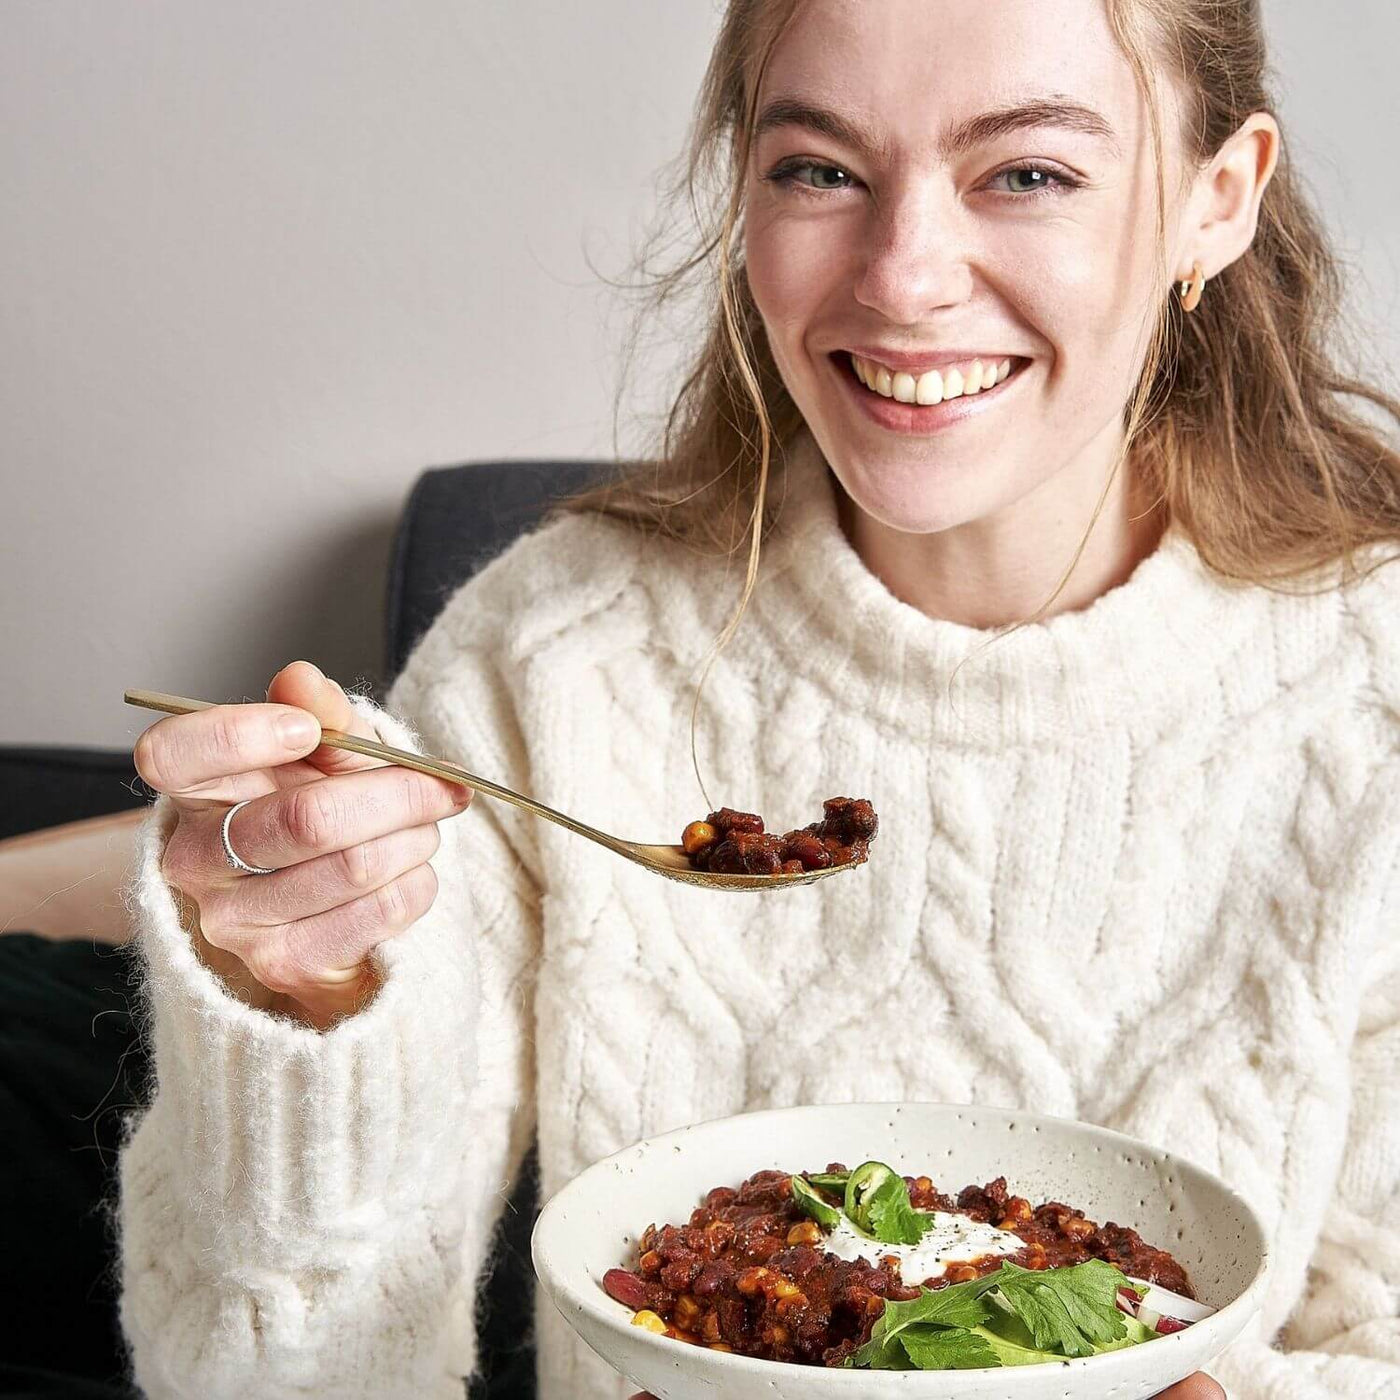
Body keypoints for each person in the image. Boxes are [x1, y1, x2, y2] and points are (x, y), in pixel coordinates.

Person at [120, 0, 1400, 1397]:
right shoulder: (557, 655)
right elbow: (287, 1369)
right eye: (821, 170)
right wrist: (306, 1008)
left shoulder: (1373, 697)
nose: (904, 277)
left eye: (1026, 174)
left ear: (1218, 202)